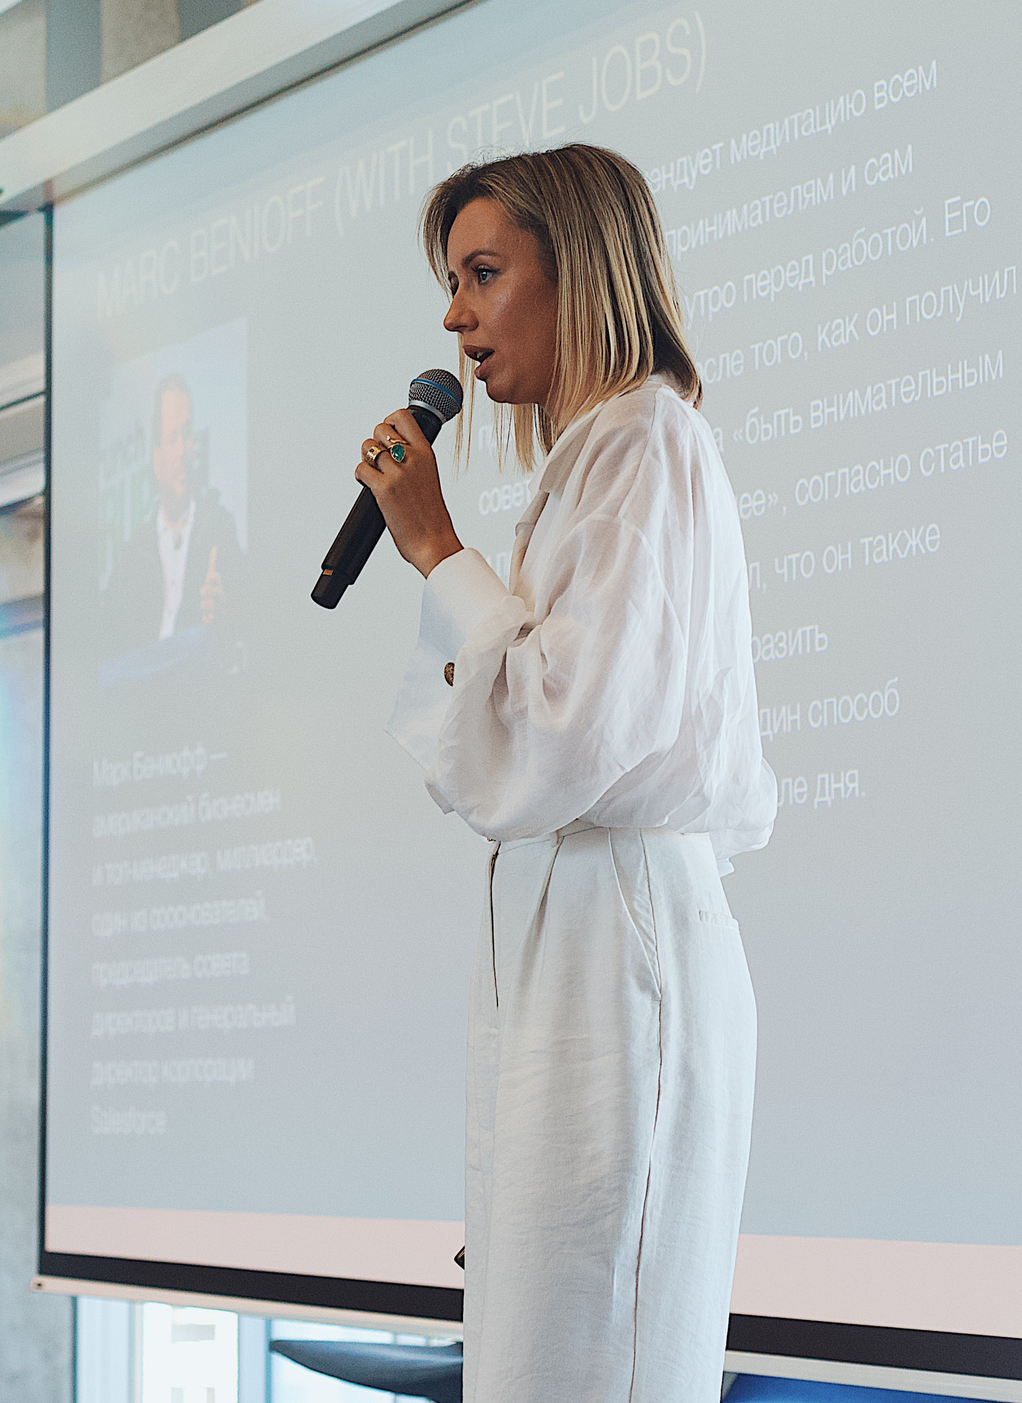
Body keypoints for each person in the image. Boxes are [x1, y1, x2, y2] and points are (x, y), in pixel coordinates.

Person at [354, 143, 775, 1400]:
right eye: (450, 280)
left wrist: (435, 550)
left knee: (595, 1362)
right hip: (575, 950)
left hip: (620, 942)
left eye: (483, 271)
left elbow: (564, 730)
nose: (453, 314)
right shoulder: (593, 459)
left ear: (577, 270)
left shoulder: (645, 442)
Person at [114, 371, 243, 646]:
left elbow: (241, 622)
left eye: (187, 434)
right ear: (155, 455)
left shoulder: (220, 529)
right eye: (172, 438)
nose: (183, 450)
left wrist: (225, 610)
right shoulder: (134, 552)